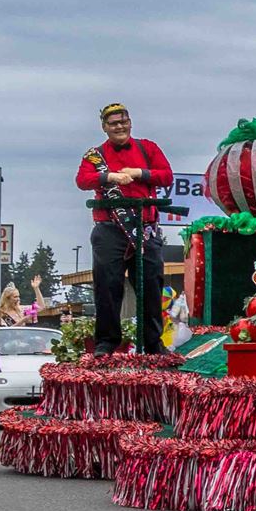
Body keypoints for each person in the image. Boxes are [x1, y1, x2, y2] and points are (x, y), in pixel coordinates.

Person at [75, 101, 175, 354]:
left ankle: (153, 343)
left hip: (144, 227)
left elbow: (166, 175)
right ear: (104, 127)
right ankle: (107, 342)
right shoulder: (94, 156)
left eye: (123, 121)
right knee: (108, 287)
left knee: (151, 285)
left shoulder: (147, 148)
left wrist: (139, 172)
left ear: (130, 123)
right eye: (113, 123)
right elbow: (82, 180)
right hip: (110, 229)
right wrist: (110, 177)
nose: (119, 126)